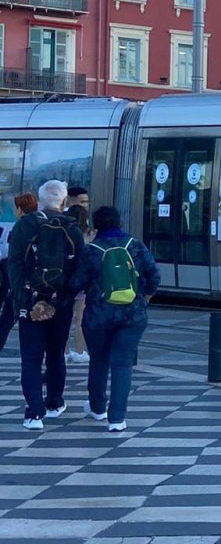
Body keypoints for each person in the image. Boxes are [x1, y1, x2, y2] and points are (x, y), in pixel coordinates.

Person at [69, 205, 159, 433]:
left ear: (96, 225)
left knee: (99, 361)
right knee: (122, 364)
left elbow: (76, 283)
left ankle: (98, 407)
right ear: (119, 222)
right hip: (132, 315)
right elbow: (154, 275)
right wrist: (144, 296)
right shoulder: (135, 245)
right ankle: (117, 418)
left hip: (98, 317)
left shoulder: (92, 250)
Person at [7, 181, 86, 429]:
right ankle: (54, 403)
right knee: (55, 356)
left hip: (29, 303)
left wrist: (25, 302)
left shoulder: (24, 226)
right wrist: (60, 301)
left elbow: (15, 267)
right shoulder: (72, 229)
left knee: (30, 359)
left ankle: (33, 413)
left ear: (40, 202)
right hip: (60, 305)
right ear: (64, 202)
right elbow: (78, 273)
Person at [0, 193, 38, 352]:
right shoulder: (42, 225)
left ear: (20, 210)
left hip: (17, 282)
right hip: (36, 282)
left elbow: (11, 256)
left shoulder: (19, 228)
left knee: (6, 320)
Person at [65, 203, 92, 364]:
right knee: (80, 319)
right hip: (82, 281)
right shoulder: (88, 235)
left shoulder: (65, 232)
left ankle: (64, 350)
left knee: (65, 318)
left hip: (67, 280)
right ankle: (80, 351)